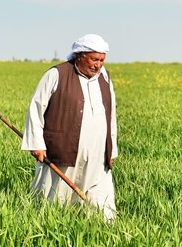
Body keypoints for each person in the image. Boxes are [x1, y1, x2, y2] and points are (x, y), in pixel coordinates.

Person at [21, 34, 118, 221]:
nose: (98, 65)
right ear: (80, 56)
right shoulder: (57, 74)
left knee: (101, 199)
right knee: (55, 197)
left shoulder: (104, 77)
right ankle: (49, 226)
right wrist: (36, 144)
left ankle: (106, 229)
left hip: (98, 153)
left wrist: (111, 149)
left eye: (102, 60)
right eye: (94, 59)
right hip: (61, 150)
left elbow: (111, 115)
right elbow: (36, 108)